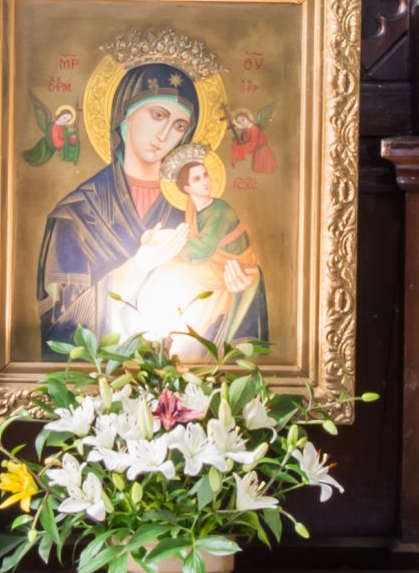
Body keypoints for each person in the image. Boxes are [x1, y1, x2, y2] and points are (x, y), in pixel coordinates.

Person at [36, 58, 267, 354]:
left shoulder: (194, 209)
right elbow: (59, 329)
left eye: (179, 126)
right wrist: (136, 267)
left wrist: (242, 287)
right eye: (157, 115)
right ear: (125, 114)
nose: (164, 135)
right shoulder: (76, 215)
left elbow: (226, 284)